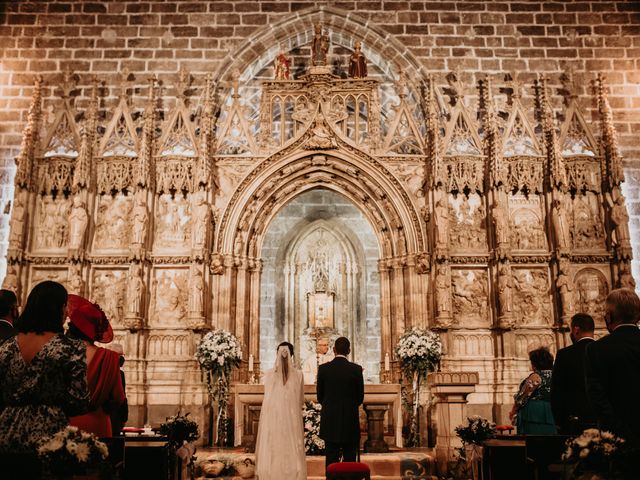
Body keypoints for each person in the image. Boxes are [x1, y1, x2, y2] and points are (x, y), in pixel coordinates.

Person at [0, 281, 90, 454]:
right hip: (49, 434)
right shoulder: (69, 348)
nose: (66, 313)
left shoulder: (7, 346)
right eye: (65, 307)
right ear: (58, 309)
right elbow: (79, 402)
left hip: (7, 432)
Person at [585, 288, 640, 445]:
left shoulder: (597, 349)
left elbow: (597, 397)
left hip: (616, 438)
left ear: (608, 317)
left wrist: (619, 430)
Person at [66, 294, 126, 437]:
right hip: (98, 424)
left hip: (66, 425)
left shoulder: (61, 353)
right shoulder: (109, 358)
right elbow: (118, 398)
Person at [255, 342, 306, 480]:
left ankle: (272, 473)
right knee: (292, 445)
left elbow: (267, 397)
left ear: (276, 354)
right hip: (292, 417)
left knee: (273, 444)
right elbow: (300, 399)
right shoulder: (299, 375)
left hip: (273, 417)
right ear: (292, 355)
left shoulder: (269, 374)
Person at [317, 336, 365, 473]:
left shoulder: (324, 369)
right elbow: (359, 398)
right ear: (349, 350)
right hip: (350, 421)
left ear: (334, 350)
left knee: (331, 459)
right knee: (350, 460)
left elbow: (320, 397)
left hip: (330, 421)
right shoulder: (356, 369)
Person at [551, 313, 596, 434]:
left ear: (576, 330)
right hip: (600, 419)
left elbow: (557, 391)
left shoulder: (564, 354)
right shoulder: (604, 351)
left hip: (574, 422)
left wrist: (559, 422)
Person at [510, 346, 556, 434]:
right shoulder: (557, 376)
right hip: (551, 414)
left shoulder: (536, 377)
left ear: (535, 363)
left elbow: (521, 398)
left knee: (533, 442)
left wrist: (513, 412)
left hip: (534, 415)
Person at [107, 343, 129, 436]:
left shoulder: (119, 373)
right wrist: (124, 417)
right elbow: (121, 397)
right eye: (120, 355)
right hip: (114, 416)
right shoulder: (119, 374)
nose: (122, 359)